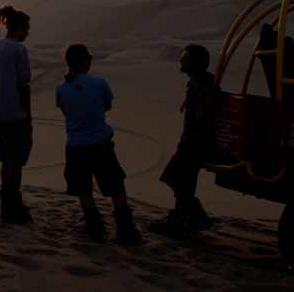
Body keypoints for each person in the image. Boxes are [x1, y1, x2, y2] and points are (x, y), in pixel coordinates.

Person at [56, 44, 141, 243]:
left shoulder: (61, 88)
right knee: (116, 186)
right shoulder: (100, 83)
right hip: (100, 143)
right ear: (85, 61)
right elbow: (107, 105)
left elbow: (66, 112)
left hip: (76, 146)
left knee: (83, 188)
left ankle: (94, 227)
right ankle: (125, 228)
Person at [150, 44, 220, 237]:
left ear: (195, 63)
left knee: (176, 177)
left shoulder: (202, 85)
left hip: (195, 143)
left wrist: (190, 142)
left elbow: (202, 118)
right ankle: (182, 219)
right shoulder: (199, 82)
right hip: (194, 142)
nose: (181, 60)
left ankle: (193, 218)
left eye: (186, 58)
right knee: (182, 181)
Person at [0, 4, 33, 223]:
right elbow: (23, 83)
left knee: (6, 161)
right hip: (14, 114)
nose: (28, 33)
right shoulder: (18, 50)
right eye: (27, 29)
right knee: (15, 162)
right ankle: (13, 207)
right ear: (19, 27)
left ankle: (8, 206)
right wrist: (27, 115)